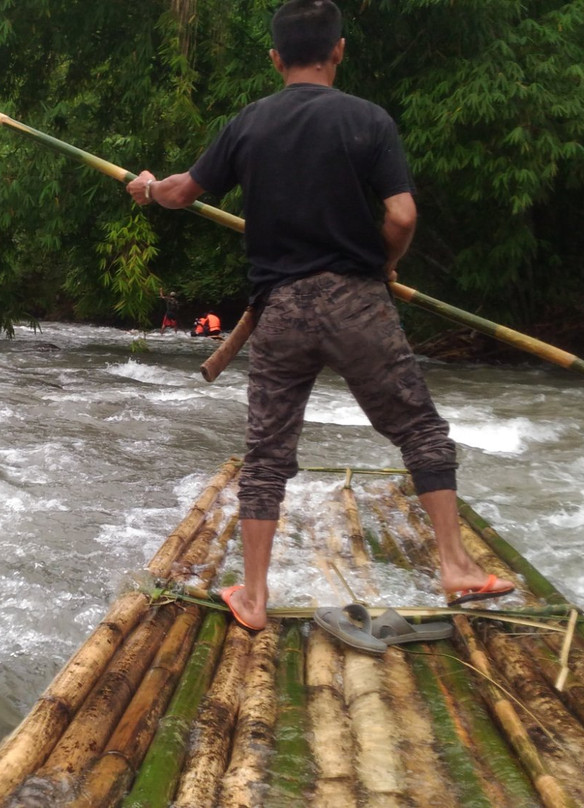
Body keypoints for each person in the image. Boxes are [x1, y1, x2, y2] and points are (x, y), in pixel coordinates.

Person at [126, 0, 513, 630]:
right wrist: (383, 265)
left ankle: (252, 597)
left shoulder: (246, 124)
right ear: (338, 51)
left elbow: (180, 193)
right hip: (357, 304)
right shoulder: (368, 120)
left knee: (267, 455)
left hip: (278, 312)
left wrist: (146, 187)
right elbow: (403, 216)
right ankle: (458, 568)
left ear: (276, 58)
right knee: (420, 432)